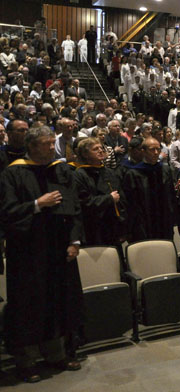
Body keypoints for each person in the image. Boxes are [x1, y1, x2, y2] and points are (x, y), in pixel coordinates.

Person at [0, 126, 83, 382]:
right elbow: (6, 212)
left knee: (58, 300)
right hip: (27, 252)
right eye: (46, 144)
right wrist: (37, 204)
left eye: (51, 143)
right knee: (28, 305)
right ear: (32, 146)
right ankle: (26, 361)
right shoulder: (13, 173)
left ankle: (56, 353)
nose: (51, 147)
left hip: (58, 249)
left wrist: (75, 240)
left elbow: (74, 207)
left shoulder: (59, 170)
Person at [73, 137, 127, 246]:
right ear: (85, 154)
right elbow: (84, 202)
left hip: (114, 225)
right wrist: (109, 199)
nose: (101, 150)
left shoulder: (110, 172)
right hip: (94, 227)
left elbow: (121, 198)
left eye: (101, 148)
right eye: (95, 149)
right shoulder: (79, 175)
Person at [121, 137, 175, 242]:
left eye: (158, 149)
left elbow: (171, 196)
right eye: (152, 149)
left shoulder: (165, 170)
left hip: (164, 220)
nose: (156, 153)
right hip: (143, 223)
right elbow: (129, 203)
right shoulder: (133, 174)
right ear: (143, 151)